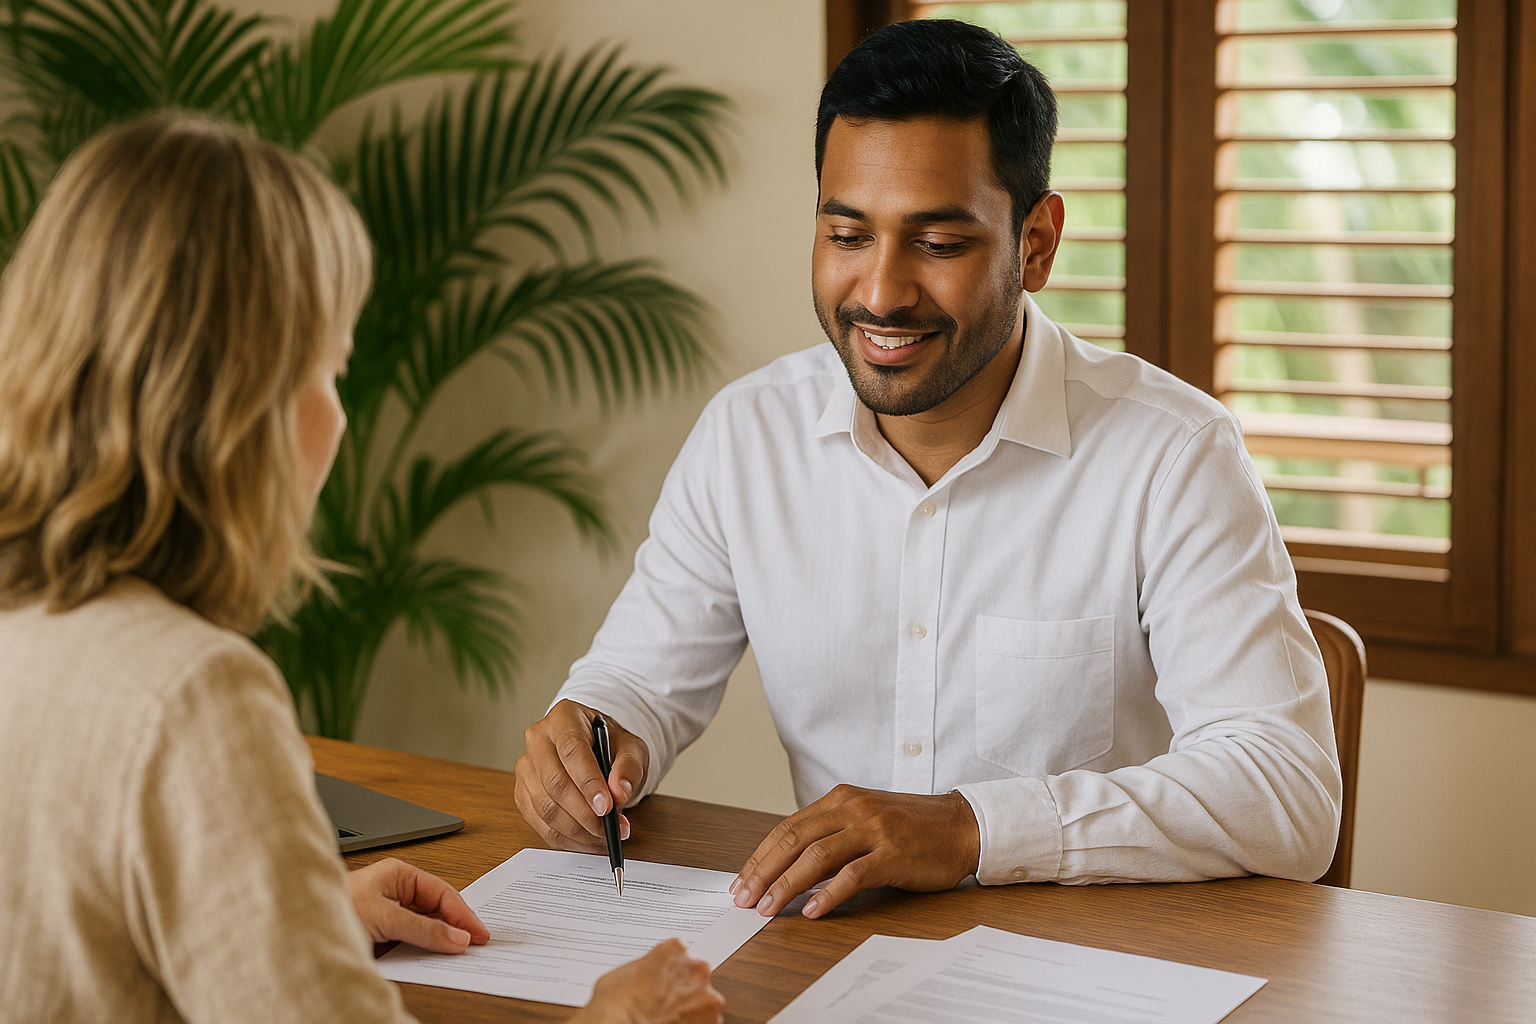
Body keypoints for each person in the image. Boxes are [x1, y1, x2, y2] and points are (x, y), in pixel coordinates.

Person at [513, 18, 1343, 920]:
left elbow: (1288, 793)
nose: (879, 292)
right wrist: (591, 738)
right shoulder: (747, 436)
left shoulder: (1173, 454)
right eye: (846, 235)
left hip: (1090, 969)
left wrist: (970, 829)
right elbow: (634, 683)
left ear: (1036, 242)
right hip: (828, 959)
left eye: (938, 245)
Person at [0, 113, 724, 1024]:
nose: (339, 418)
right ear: (246, 406)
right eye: (330, 371)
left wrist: (297, 929)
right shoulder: (194, 697)